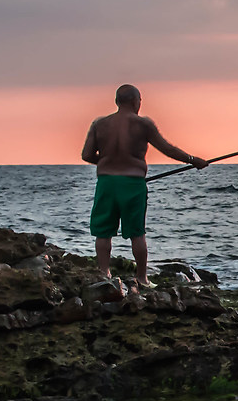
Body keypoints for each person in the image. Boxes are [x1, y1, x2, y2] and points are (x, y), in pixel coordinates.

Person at [80, 84, 211, 285]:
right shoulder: (143, 124)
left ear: (117, 101)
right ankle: (141, 278)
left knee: (103, 232)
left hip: (106, 183)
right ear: (135, 101)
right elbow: (167, 149)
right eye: (140, 100)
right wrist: (193, 159)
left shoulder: (99, 124)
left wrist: (109, 162)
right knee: (137, 233)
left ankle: (103, 273)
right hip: (133, 184)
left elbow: (86, 155)